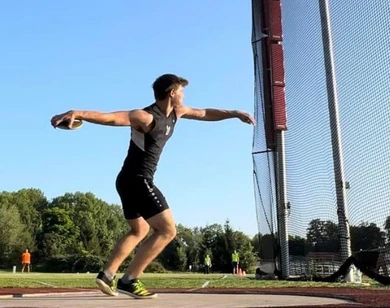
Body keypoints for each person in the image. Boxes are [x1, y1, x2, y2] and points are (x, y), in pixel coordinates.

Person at [50, 74, 254, 299]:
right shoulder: (146, 117)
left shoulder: (178, 112)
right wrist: (78, 113)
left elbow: (205, 113)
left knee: (140, 230)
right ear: (171, 93)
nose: (184, 95)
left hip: (127, 180)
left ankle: (107, 275)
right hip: (138, 180)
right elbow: (111, 118)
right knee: (167, 230)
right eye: (182, 91)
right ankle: (129, 280)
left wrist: (234, 114)